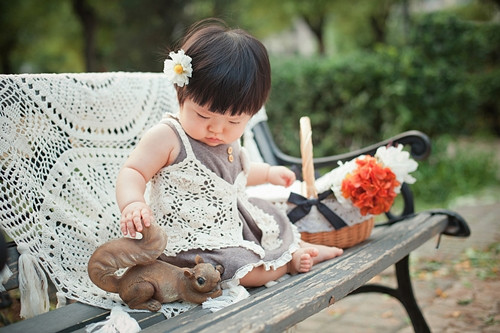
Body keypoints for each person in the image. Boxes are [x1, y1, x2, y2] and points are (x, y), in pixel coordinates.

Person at [116, 18, 343, 288]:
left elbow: (240, 173)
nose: (217, 129)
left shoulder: (228, 142)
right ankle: (288, 264)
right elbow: (133, 171)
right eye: (203, 115)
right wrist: (132, 203)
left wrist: (270, 173)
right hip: (190, 240)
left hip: (231, 226)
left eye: (234, 122)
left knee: (272, 221)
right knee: (236, 269)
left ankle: (300, 249)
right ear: (182, 93)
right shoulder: (168, 137)